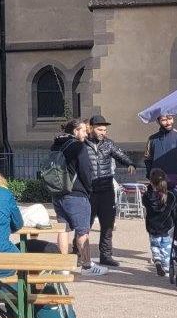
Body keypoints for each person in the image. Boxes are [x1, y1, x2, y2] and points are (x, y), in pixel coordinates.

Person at [51, 118, 105, 276]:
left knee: (63, 229)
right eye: (83, 130)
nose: (86, 133)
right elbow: (86, 170)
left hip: (58, 192)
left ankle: (63, 266)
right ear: (75, 131)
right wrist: (89, 189)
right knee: (83, 230)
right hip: (76, 193)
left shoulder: (56, 145)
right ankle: (87, 266)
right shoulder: (78, 146)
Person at [84, 115, 135, 267]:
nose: (103, 132)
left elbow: (120, 154)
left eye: (105, 130)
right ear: (91, 128)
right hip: (89, 191)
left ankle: (106, 255)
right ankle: (78, 252)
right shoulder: (82, 144)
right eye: (99, 129)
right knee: (85, 224)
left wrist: (130, 163)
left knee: (107, 224)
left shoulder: (108, 144)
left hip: (106, 190)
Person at [142, 168, 177, 276]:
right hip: (166, 227)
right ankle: (166, 268)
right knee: (166, 248)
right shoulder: (170, 196)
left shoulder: (147, 197)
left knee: (155, 245)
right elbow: (174, 212)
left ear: (151, 182)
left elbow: (146, 205)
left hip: (152, 226)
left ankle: (157, 260)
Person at [144, 113, 177, 185]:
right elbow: (147, 160)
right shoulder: (152, 139)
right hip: (157, 183)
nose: (168, 122)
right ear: (158, 121)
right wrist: (151, 175)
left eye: (170, 118)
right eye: (164, 120)